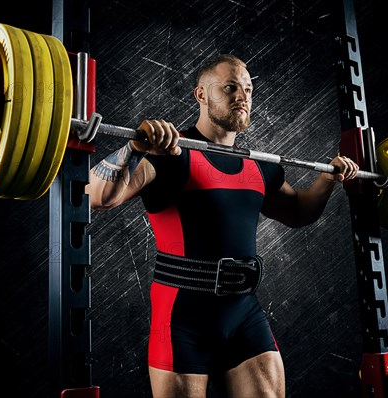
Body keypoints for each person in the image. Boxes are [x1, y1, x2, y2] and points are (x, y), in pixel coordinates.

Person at [86, 54, 359, 398]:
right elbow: (97, 196)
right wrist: (134, 147)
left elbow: (299, 212)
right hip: (182, 318)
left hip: (244, 313)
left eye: (247, 89)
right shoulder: (170, 154)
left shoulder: (260, 166)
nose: (242, 96)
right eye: (230, 87)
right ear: (201, 94)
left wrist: (328, 178)